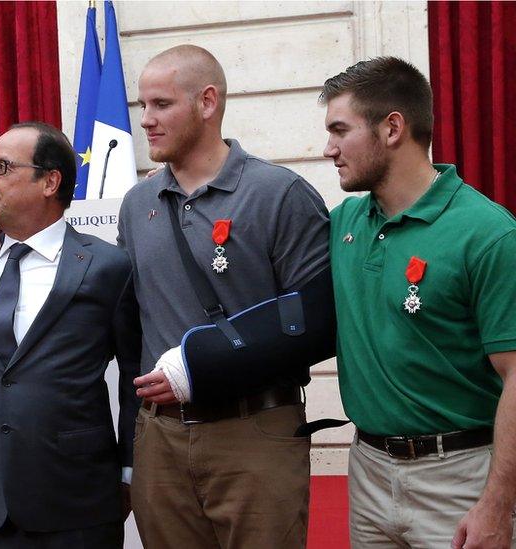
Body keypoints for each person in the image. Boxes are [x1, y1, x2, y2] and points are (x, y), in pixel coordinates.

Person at [119, 45, 330, 548]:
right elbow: (122, 315)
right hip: (161, 440)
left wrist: (204, 366)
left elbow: (320, 323)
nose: (145, 120)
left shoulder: (279, 194)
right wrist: (0, 238)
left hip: (253, 430)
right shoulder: (137, 203)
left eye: (161, 104)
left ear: (207, 102)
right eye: (142, 106)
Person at [322, 57, 516, 549]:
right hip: (366, 470)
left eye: (340, 131)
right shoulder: (343, 222)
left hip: (460, 480)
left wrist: (497, 505)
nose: (329, 149)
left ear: (392, 128)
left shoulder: (488, 233)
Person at [0, 122, 141, 547]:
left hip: (78, 500)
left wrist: (130, 467)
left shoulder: (108, 267)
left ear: (50, 181)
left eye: (1, 167)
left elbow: (133, 377)